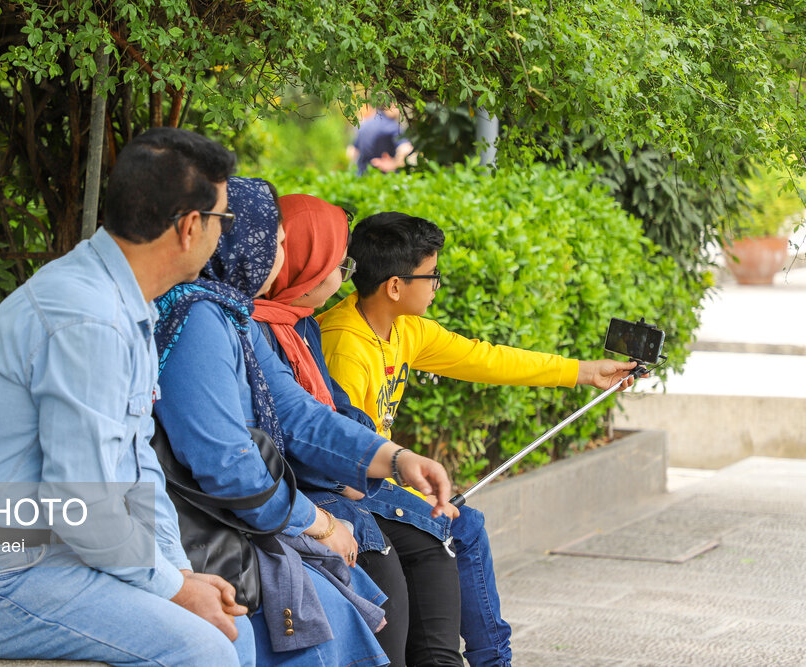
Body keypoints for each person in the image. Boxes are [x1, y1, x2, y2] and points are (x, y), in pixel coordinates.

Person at [0, 128, 256, 666]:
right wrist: (171, 588)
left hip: (53, 556)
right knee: (202, 651)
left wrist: (176, 573)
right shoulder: (88, 318)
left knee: (234, 629)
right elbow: (84, 503)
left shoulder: (123, 302)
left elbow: (138, 468)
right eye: (223, 222)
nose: (221, 235)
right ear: (190, 227)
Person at [152, 177, 455, 666]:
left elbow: (296, 411)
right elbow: (229, 468)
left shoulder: (229, 316)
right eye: (276, 240)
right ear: (240, 240)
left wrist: (393, 457)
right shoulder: (200, 320)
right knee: (344, 615)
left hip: (248, 515)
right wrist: (319, 521)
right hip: (214, 530)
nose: (281, 253)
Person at [317, 211, 641, 666]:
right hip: (347, 490)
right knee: (463, 526)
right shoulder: (345, 345)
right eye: (432, 275)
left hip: (379, 478)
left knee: (464, 524)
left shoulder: (405, 328)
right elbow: (342, 457)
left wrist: (585, 373)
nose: (436, 285)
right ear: (394, 285)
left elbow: (485, 359)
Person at [252, 194, 496, 666]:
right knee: (405, 561)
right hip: (317, 491)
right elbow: (294, 431)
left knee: (443, 538)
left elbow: (336, 412)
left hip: (346, 479)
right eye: (336, 261)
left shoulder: (297, 326)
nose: (345, 273)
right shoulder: (273, 330)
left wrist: (585, 372)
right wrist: (372, 473)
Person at [347, 104, 414, 176]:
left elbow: (351, 152)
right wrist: (394, 164)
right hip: (384, 179)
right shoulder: (392, 126)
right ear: (391, 105)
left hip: (363, 178)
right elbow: (406, 149)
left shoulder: (364, 125)